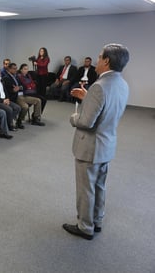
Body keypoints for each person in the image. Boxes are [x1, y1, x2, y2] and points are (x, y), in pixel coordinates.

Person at [62, 43, 130, 240]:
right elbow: (106, 109)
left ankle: (85, 226)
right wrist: (87, 98)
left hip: (90, 147)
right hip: (107, 144)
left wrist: (73, 116)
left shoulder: (99, 87)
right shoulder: (121, 84)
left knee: (86, 188)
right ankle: (97, 221)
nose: (97, 60)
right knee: (99, 185)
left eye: (100, 57)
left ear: (107, 61)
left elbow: (86, 122)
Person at [3, 63, 45, 127]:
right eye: (13, 69)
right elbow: (7, 90)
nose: (15, 70)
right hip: (15, 97)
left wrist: (19, 87)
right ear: (9, 69)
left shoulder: (16, 76)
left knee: (38, 100)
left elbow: (23, 86)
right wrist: (13, 90)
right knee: (25, 107)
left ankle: (35, 119)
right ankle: (19, 121)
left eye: (16, 68)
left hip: (23, 95)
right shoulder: (6, 78)